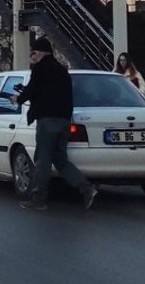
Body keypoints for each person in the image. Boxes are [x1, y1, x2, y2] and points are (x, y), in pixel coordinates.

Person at [10, 37, 98, 211]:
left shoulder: (40, 69)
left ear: (42, 52)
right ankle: (86, 188)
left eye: (33, 53)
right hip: (64, 120)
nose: (32, 56)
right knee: (60, 160)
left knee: (42, 160)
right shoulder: (62, 71)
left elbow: (31, 89)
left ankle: (39, 199)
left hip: (47, 120)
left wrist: (17, 98)